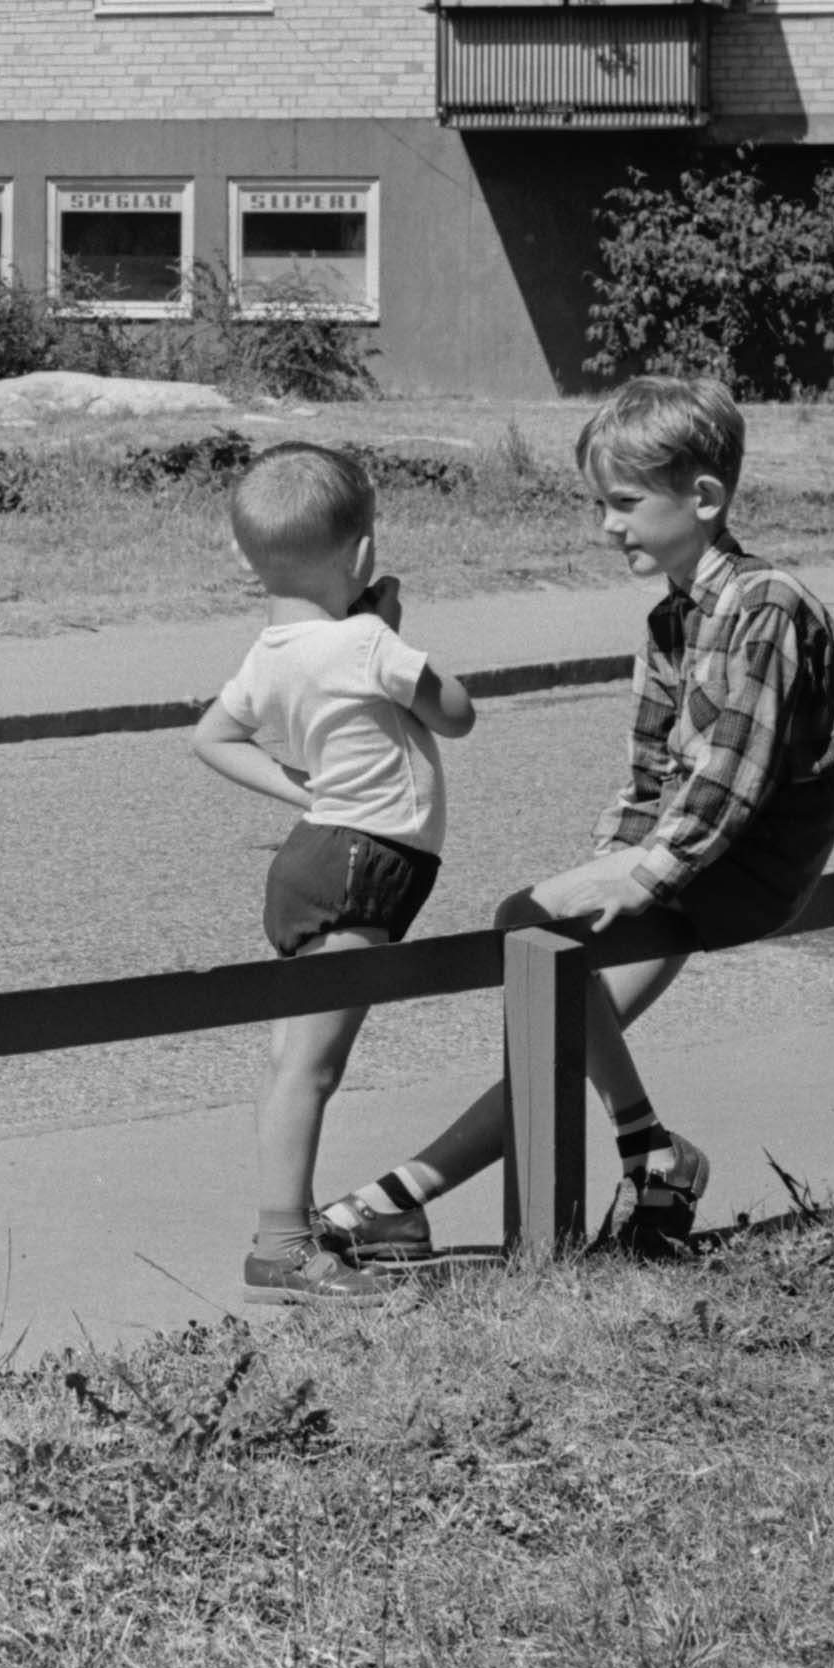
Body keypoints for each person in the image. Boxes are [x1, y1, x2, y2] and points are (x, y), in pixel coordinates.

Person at [317, 374, 834, 1267]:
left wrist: (639, 875)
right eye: (599, 504)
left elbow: (735, 779)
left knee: (527, 926)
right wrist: (613, 861)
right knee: (558, 1000)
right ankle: (417, 1196)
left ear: (703, 498)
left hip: (752, 860)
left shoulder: (767, 605)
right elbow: (650, 771)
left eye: (623, 503)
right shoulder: (670, 619)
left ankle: (637, 1145)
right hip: (693, 856)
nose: (606, 526)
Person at [187, 438, 474, 1296]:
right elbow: (457, 714)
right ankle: (281, 1246)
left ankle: (289, 1223)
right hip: (363, 864)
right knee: (313, 1065)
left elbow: (212, 738)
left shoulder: (267, 656)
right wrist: (390, 637)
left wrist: (298, 788)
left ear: (247, 557)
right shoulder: (364, 644)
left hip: (316, 855)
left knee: (292, 1063)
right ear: (363, 554)